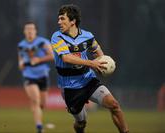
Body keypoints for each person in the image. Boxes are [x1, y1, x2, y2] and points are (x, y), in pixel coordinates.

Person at [51, 4, 129, 133]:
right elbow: (67, 58)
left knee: (114, 105)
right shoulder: (57, 37)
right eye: (58, 19)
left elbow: (99, 54)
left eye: (62, 19)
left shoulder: (88, 36)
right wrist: (92, 64)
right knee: (81, 123)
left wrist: (103, 65)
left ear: (73, 21)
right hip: (70, 88)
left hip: (88, 80)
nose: (59, 22)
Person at [17, 21, 54, 133]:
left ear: (35, 31)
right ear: (24, 31)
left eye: (31, 29)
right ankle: (39, 127)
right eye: (27, 29)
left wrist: (39, 59)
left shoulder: (43, 42)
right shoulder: (21, 45)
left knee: (42, 104)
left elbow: (52, 56)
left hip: (43, 75)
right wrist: (21, 64)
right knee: (36, 100)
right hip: (29, 76)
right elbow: (20, 62)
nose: (29, 31)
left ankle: (37, 114)